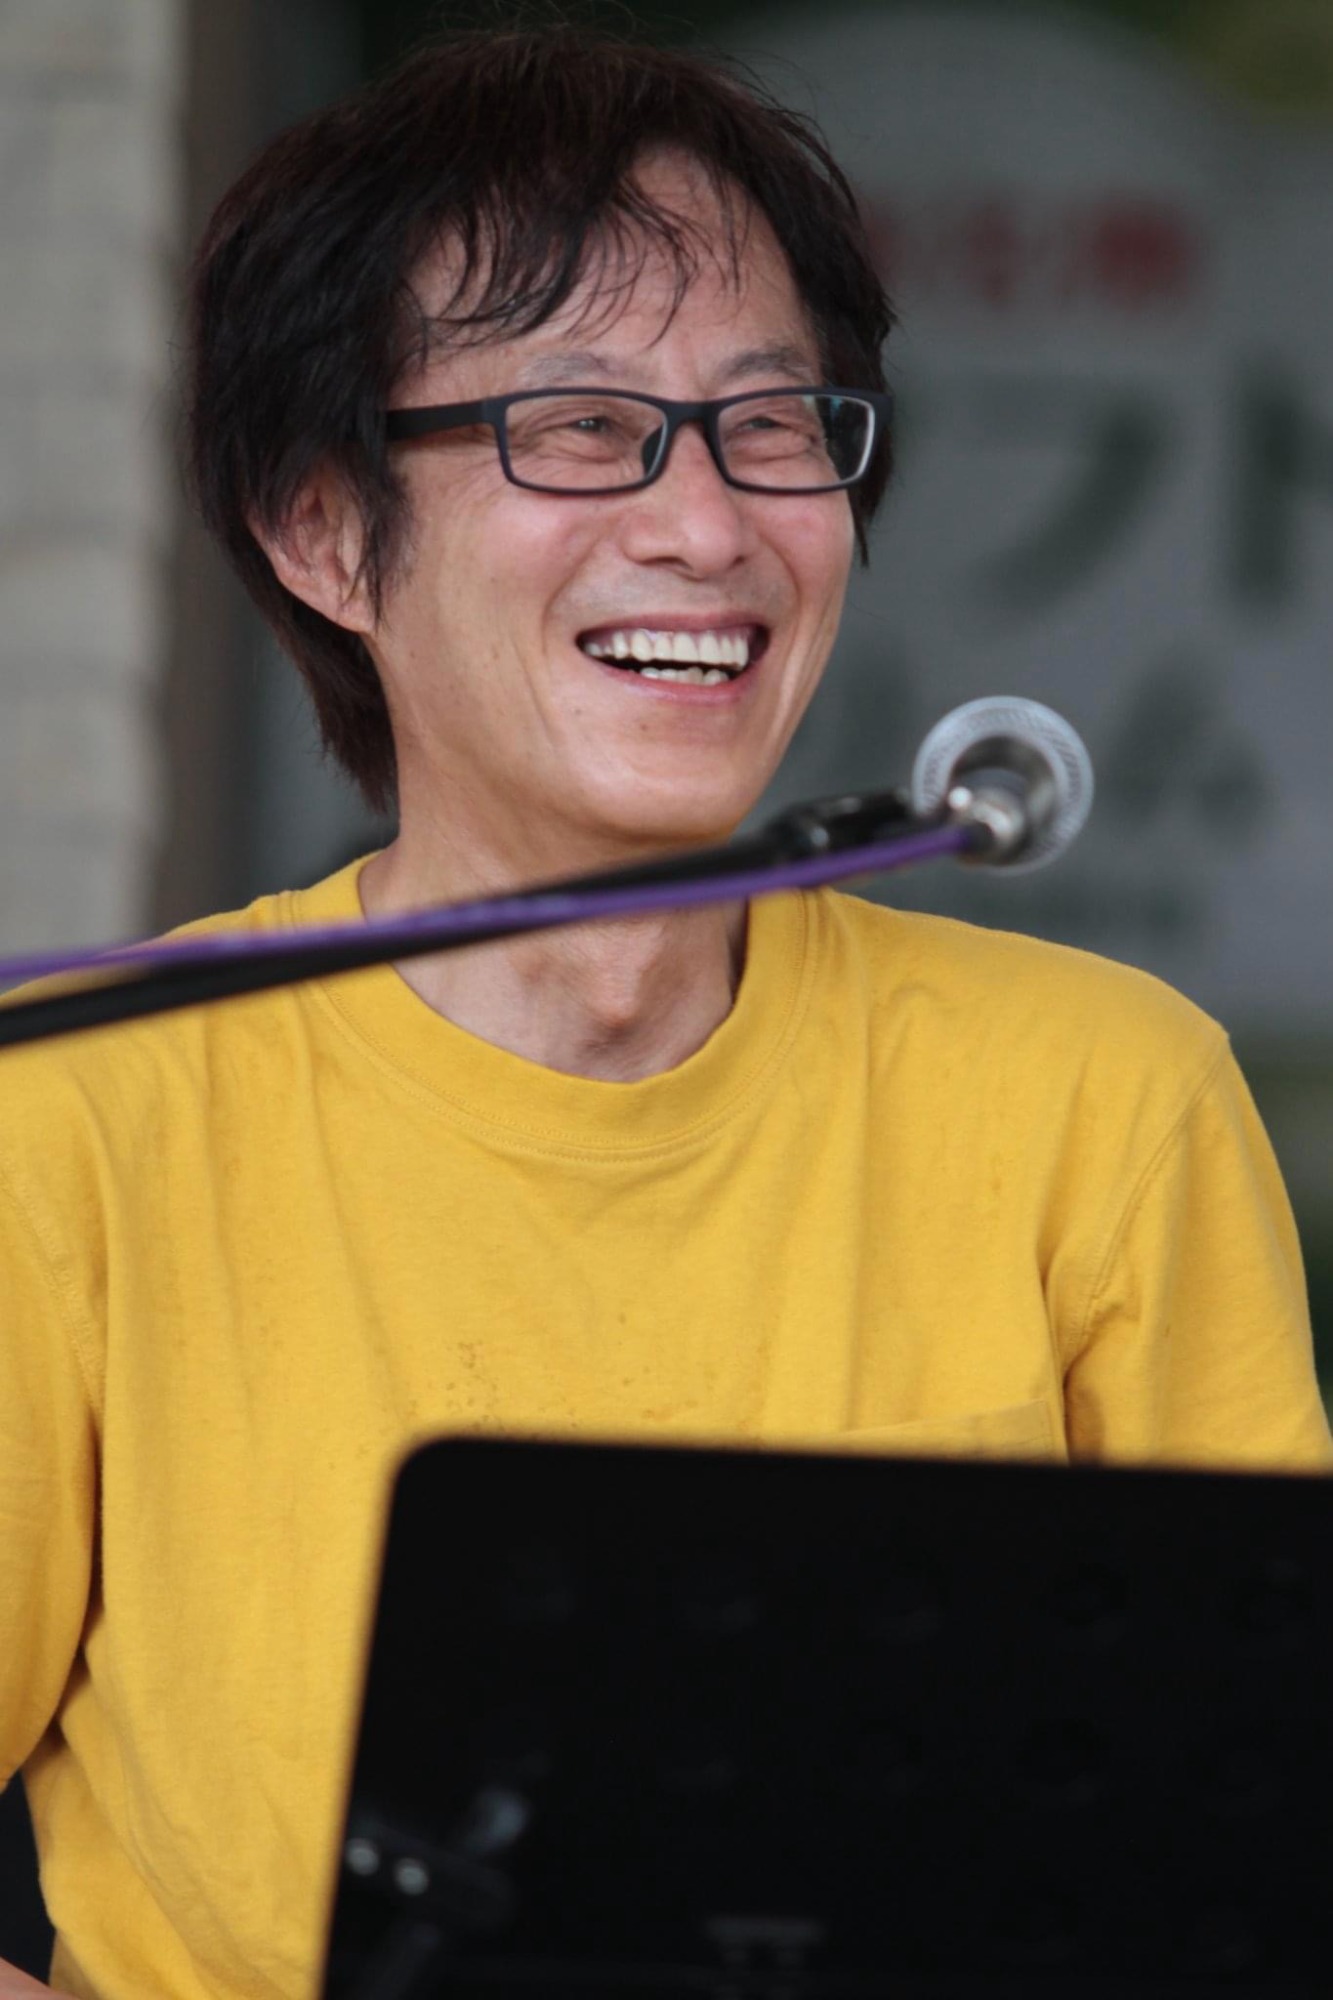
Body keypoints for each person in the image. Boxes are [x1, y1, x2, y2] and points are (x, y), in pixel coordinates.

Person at [1, 24, 1328, 2000]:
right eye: (578, 425)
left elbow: (1256, 1846)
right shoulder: (83, 1109)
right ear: (323, 527)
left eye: (770, 425)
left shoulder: (1100, 1101)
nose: (705, 525)